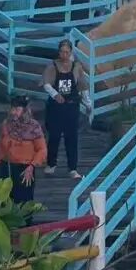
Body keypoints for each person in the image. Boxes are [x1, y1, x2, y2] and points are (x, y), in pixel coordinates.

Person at [42, 38, 87, 179]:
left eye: (67, 52)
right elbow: (46, 84)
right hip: (56, 107)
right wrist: (55, 95)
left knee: (72, 138)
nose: (64, 55)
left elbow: (82, 86)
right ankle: (51, 164)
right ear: (59, 52)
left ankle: (72, 168)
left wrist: (88, 102)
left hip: (72, 106)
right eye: (62, 52)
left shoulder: (76, 67)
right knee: (54, 136)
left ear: (71, 52)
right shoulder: (52, 66)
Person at [0, 95, 46, 205]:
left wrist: (31, 166)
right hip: (6, 166)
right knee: (5, 201)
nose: (13, 112)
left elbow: (42, 149)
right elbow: (0, 143)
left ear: (25, 111)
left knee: (24, 201)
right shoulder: (6, 124)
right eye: (12, 108)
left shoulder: (34, 126)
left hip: (25, 168)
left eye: (17, 109)